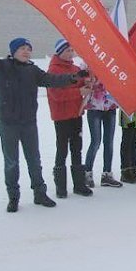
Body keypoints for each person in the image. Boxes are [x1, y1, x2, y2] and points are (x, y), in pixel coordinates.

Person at [0, 22, 77, 213]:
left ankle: (39, 193)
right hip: (8, 124)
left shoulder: (33, 71)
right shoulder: (2, 67)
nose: (26, 52)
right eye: (22, 48)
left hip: (29, 124)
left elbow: (52, 80)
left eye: (29, 49)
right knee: (11, 163)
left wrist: (72, 78)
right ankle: (13, 197)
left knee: (34, 160)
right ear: (13, 51)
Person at [46, 39, 93, 198]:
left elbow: (83, 83)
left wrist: (88, 82)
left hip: (76, 114)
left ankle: (79, 184)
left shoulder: (75, 68)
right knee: (62, 149)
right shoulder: (53, 70)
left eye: (72, 50)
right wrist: (79, 92)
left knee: (77, 148)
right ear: (59, 52)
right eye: (67, 50)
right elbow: (56, 95)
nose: (70, 53)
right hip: (61, 116)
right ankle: (61, 187)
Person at [84, 77, 123, 188]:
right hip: (94, 107)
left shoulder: (112, 65)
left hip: (110, 106)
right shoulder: (89, 66)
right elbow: (85, 83)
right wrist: (88, 81)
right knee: (95, 141)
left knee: (109, 141)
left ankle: (107, 174)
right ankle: (87, 173)